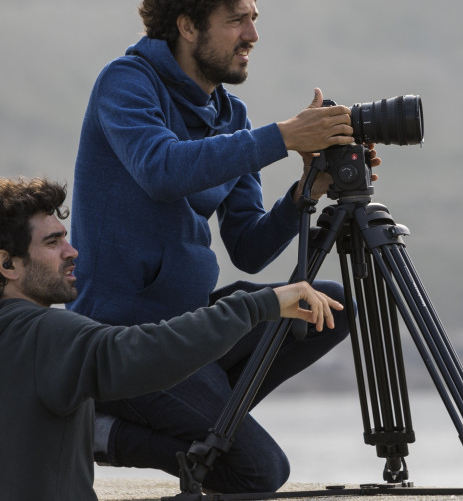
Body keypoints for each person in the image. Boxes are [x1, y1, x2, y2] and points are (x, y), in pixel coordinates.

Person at [68, 0, 377, 492]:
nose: (253, 35)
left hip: (190, 326)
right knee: (259, 470)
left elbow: (250, 246)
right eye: (237, 20)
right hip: (124, 339)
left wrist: (304, 191)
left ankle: (202, 418)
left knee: (329, 304)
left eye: (254, 17)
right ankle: (106, 431)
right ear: (188, 26)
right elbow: (161, 169)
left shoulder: (230, 115)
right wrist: (282, 137)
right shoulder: (126, 82)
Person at [0, 176, 343, 501]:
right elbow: (143, 352)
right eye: (52, 242)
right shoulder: (45, 333)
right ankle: (110, 435)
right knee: (257, 469)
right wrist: (259, 305)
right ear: (8, 265)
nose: (72, 251)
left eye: (65, 237)